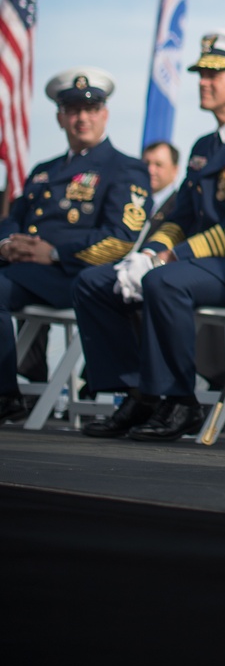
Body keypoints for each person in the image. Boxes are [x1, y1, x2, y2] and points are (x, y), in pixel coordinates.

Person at [73, 31, 225, 442]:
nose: (203, 82)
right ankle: (137, 390)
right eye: (201, 74)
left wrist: (168, 258)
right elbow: (181, 216)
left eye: (215, 75)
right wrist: (152, 250)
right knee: (94, 282)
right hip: (196, 264)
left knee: (163, 281)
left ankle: (180, 399)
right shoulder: (203, 146)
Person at [0, 70, 150, 424]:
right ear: (59, 117)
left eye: (91, 108)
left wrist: (52, 252)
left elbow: (119, 238)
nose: (81, 118)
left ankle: (4, 397)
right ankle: (7, 392)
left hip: (78, 277)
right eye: (71, 110)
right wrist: (7, 244)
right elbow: (13, 217)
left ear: (105, 114)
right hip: (25, 272)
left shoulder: (125, 168)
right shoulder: (43, 170)